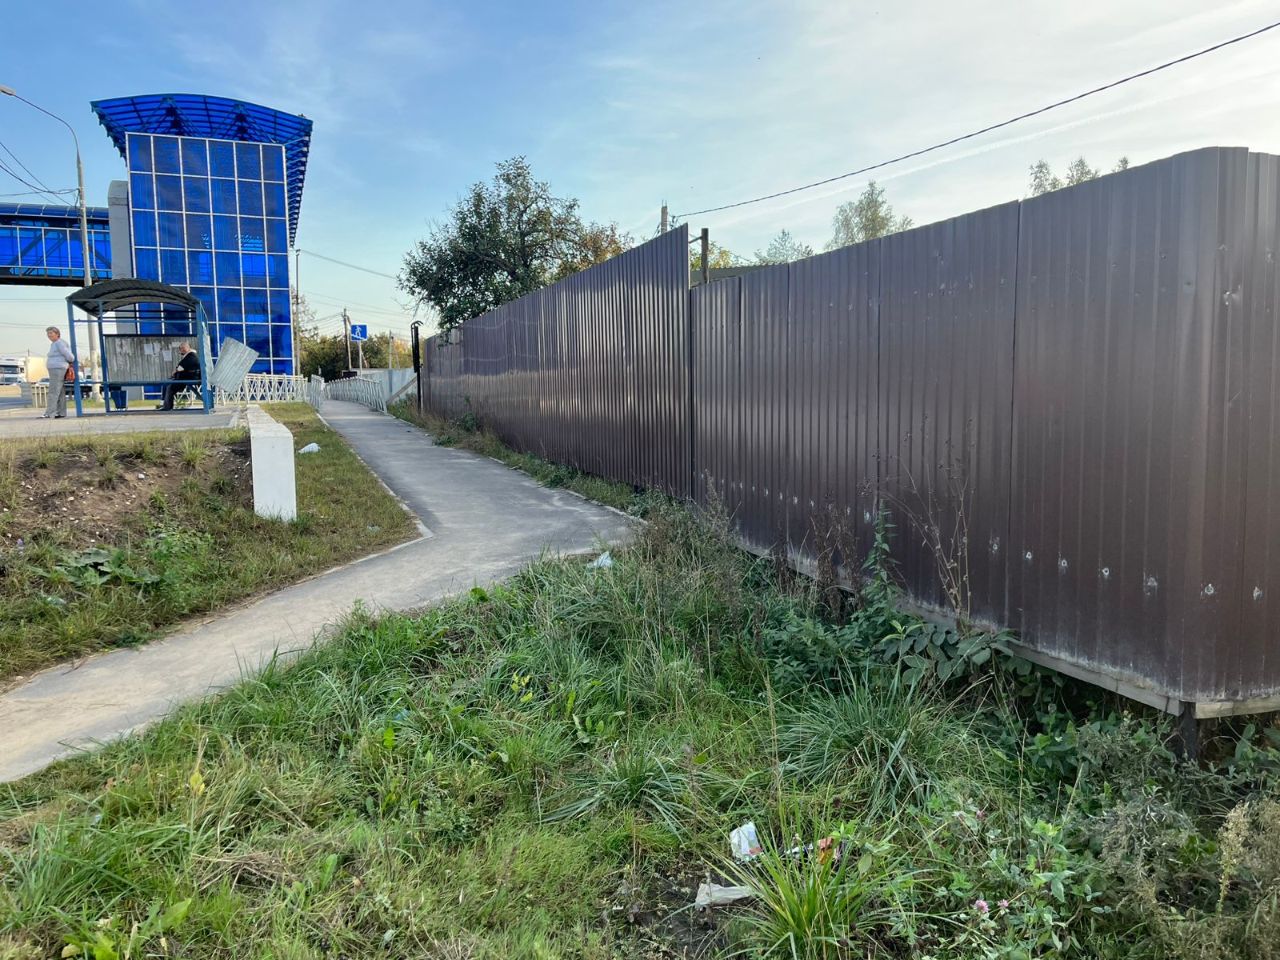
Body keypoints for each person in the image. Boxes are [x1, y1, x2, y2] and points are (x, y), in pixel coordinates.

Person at [41, 326, 74, 419]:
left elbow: (70, 356)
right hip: (55, 369)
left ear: (57, 334)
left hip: (58, 369)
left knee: (53, 391)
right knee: (59, 391)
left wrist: (66, 363)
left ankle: (49, 413)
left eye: (51, 333)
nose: (49, 335)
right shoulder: (55, 343)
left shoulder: (59, 343)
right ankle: (61, 412)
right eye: (48, 333)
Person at [158, 343, 201, 410]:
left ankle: (167, 407)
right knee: (166, 383)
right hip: (187, 377)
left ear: (188, 348)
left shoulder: (191, 356)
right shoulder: (189, 356)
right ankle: (164, 404)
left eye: (183, 348)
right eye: (181, 348)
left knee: (170, 387)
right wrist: (176, 370)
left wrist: (175, 371)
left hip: (188, 378)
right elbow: (181, 366)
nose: (182, 350)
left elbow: (181, 367)